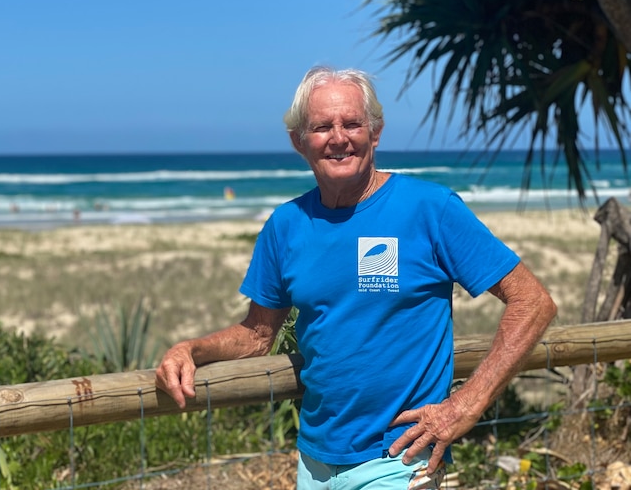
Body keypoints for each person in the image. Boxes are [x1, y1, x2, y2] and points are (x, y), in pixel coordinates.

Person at [155, 66, 557, 489]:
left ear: (376, 132)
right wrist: (191, 350)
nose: (339, 138)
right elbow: (256, 335)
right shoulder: (286, 224)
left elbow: (533, 302)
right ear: (298, 141)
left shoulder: (430, 208)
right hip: (315, 462)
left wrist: (466, 405)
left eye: (352, 123)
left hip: (398, 459)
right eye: (322, 127)